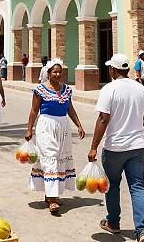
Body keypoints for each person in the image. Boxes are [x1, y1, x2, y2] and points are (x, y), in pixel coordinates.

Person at [88, 53, 144, 241]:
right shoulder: (140, 89)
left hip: (115, 147)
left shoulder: (109, 89)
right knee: (138, 187)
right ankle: (143, 231)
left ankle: (113, 223)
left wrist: (93, 147)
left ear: (113, 70)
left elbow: (103, 119)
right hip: (138, 146)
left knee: (113, 185)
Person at [26, 58, 85, 214]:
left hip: (63, 127)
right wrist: (29, 129)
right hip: (46, 126)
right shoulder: (40, 90)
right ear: (49, 73)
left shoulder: (66, 90)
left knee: (59, 159)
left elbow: (70, 108)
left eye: (60, 72)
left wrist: (79, 125)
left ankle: (50, 194)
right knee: (50, 157)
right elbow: (34, 110)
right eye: (55, 72)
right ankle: (52, 199)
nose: (58, 74)